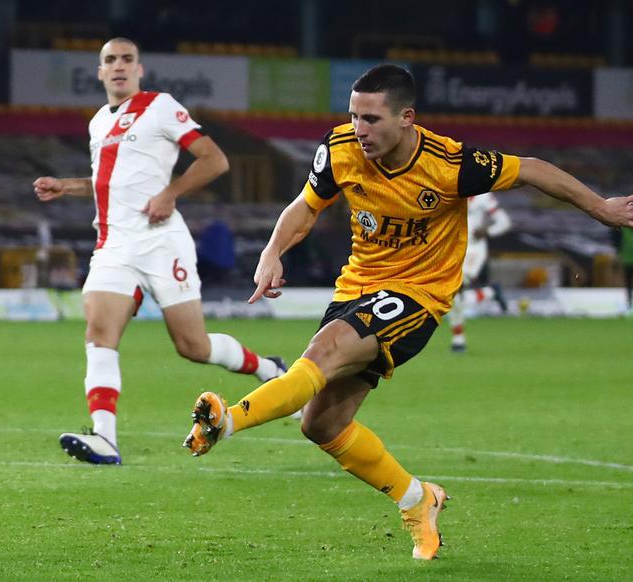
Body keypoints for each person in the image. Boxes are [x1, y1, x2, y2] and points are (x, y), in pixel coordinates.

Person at [182, 64, 633, 560]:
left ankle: (227, 421)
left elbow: (530, 168)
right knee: (321, 425)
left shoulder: (450, 162)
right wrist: (272, 252)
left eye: (372, 118)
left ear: (406, 118)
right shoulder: (339, 150)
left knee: (324, 350)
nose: (360, 129)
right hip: (356, 287)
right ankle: (418, 499)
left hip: (418, 295)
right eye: (354, 115)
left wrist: (601, 208)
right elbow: (306, 206)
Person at [32, 37, 288, 466]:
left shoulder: (161, 106)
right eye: (109, 60)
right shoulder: (98, 122)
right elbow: (110, 184)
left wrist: (171, 192)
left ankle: (267, 369)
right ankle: (104, 438)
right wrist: (68, 186)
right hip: (112, 244)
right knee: (99, 333)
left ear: (139, 69)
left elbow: (214, 159)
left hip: (160, 241)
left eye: (126, 60)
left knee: (193, 345)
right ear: (99, 72)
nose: (118, 66)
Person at [449, 193, 512, 352]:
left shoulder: (484, 196)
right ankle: (490, 292)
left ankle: (458, 340)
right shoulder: (451, 189)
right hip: (452, 249)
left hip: (474, 250)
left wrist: (488, 231)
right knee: (453, 295)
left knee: (458, 288)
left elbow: (504, 222)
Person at [617, 226, 633, 313]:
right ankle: (629, 305)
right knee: (628, 284)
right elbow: (617, 242)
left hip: (626, 258)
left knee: (628, 284)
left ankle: (629, 305)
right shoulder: (624, 228)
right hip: (627, 259)